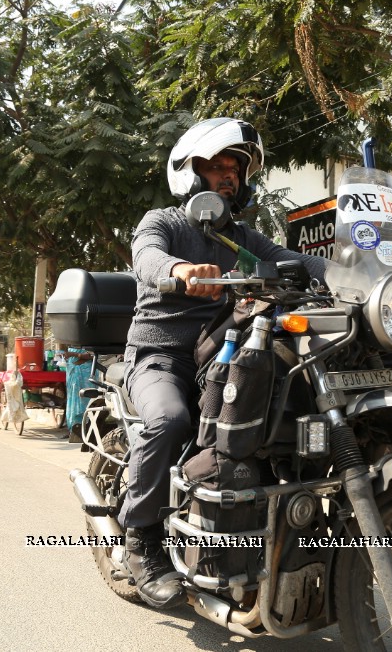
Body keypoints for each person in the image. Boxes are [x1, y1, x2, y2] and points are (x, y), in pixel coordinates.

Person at [119, 117, 328, 609]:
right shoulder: (162, 222)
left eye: (234, 167)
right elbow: (147, 257)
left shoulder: (246, 238)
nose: (227, 175)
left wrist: (358, 274)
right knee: (171, 420)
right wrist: (181, 271)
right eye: (215, 166)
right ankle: (141, 541)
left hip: (223, 359)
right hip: (161, 357)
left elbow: (294, 260)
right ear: (189, 173)